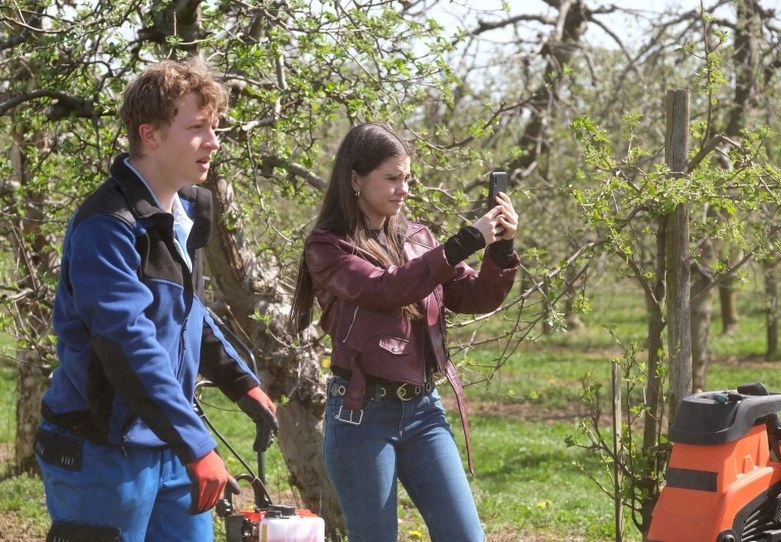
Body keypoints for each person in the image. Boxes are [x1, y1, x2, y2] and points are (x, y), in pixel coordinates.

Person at [35, 58, 279, 542]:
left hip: (169, 445)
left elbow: (187, 314)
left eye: (215, 127)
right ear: (149, 135)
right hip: (103, 450)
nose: (214, 142)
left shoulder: (183, 215)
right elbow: (128, 344)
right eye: (197, 128)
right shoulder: (107, 226)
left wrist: (239, 381)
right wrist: (195, 443)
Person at [289, 122, 520, 542]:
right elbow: (385, 288)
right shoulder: (328, 246)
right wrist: (466, 240)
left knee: (466, 536)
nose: (403, 189)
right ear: (356, 180)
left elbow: (475, 296)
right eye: (392, 178)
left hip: (423, 410)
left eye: (407, 178)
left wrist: (499, 247)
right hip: (361, 413)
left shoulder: (418, 238)